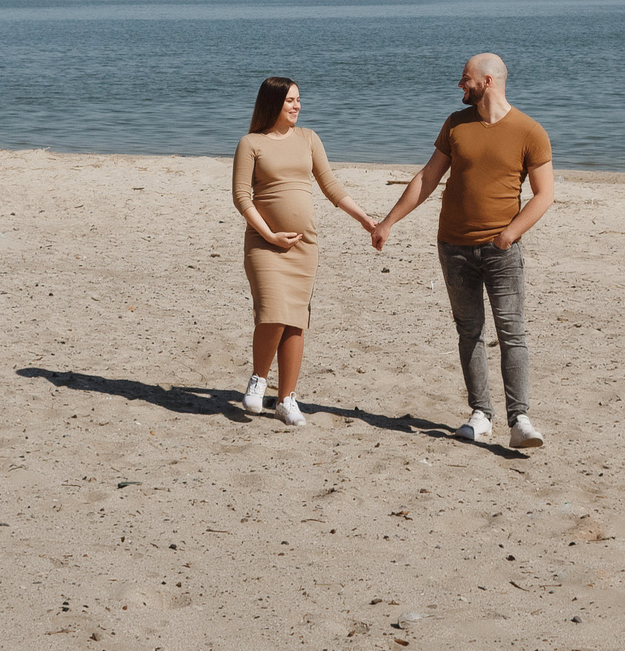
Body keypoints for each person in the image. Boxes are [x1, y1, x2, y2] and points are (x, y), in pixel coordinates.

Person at [370, 52, 556, 449]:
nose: (460, 85)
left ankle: (519, 418)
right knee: (468, 332)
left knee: (512, 332)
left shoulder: (530, 131)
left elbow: (545, 195)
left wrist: (508, 235)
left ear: (488, 81)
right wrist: (388, 222)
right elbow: (427, 177)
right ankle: (480, 413)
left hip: (501, 250)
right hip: (452, 246)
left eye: (465, 78)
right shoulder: (455, 125)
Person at [231, 76, 379, 427]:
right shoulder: (251, 143)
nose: (297, 106)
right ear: (272, 104)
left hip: (303, 246)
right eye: (289, 101)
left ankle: (286, 399)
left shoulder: (309, 139)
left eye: (298, 100)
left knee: (295, 320)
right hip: (264, 243)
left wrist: (365, 220)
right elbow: (241, 197)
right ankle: (258, 380)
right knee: (272, 311)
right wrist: (268, 234)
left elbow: (330, 185)